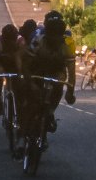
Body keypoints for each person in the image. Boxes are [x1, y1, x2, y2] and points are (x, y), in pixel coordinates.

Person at [19, 12, 75, 141]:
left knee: (59, 83)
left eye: (58, 35)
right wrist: (30, 84)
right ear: (46, 33)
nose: (54, 38)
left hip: (56, 70)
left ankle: (50, 112)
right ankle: (22, 131)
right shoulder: (38, 40)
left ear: (62, 35)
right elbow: (25, 65)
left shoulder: (68, 45)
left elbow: (71, 72)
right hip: (36, 69)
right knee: (30, 101)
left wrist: (70, 92)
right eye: (51, 35)